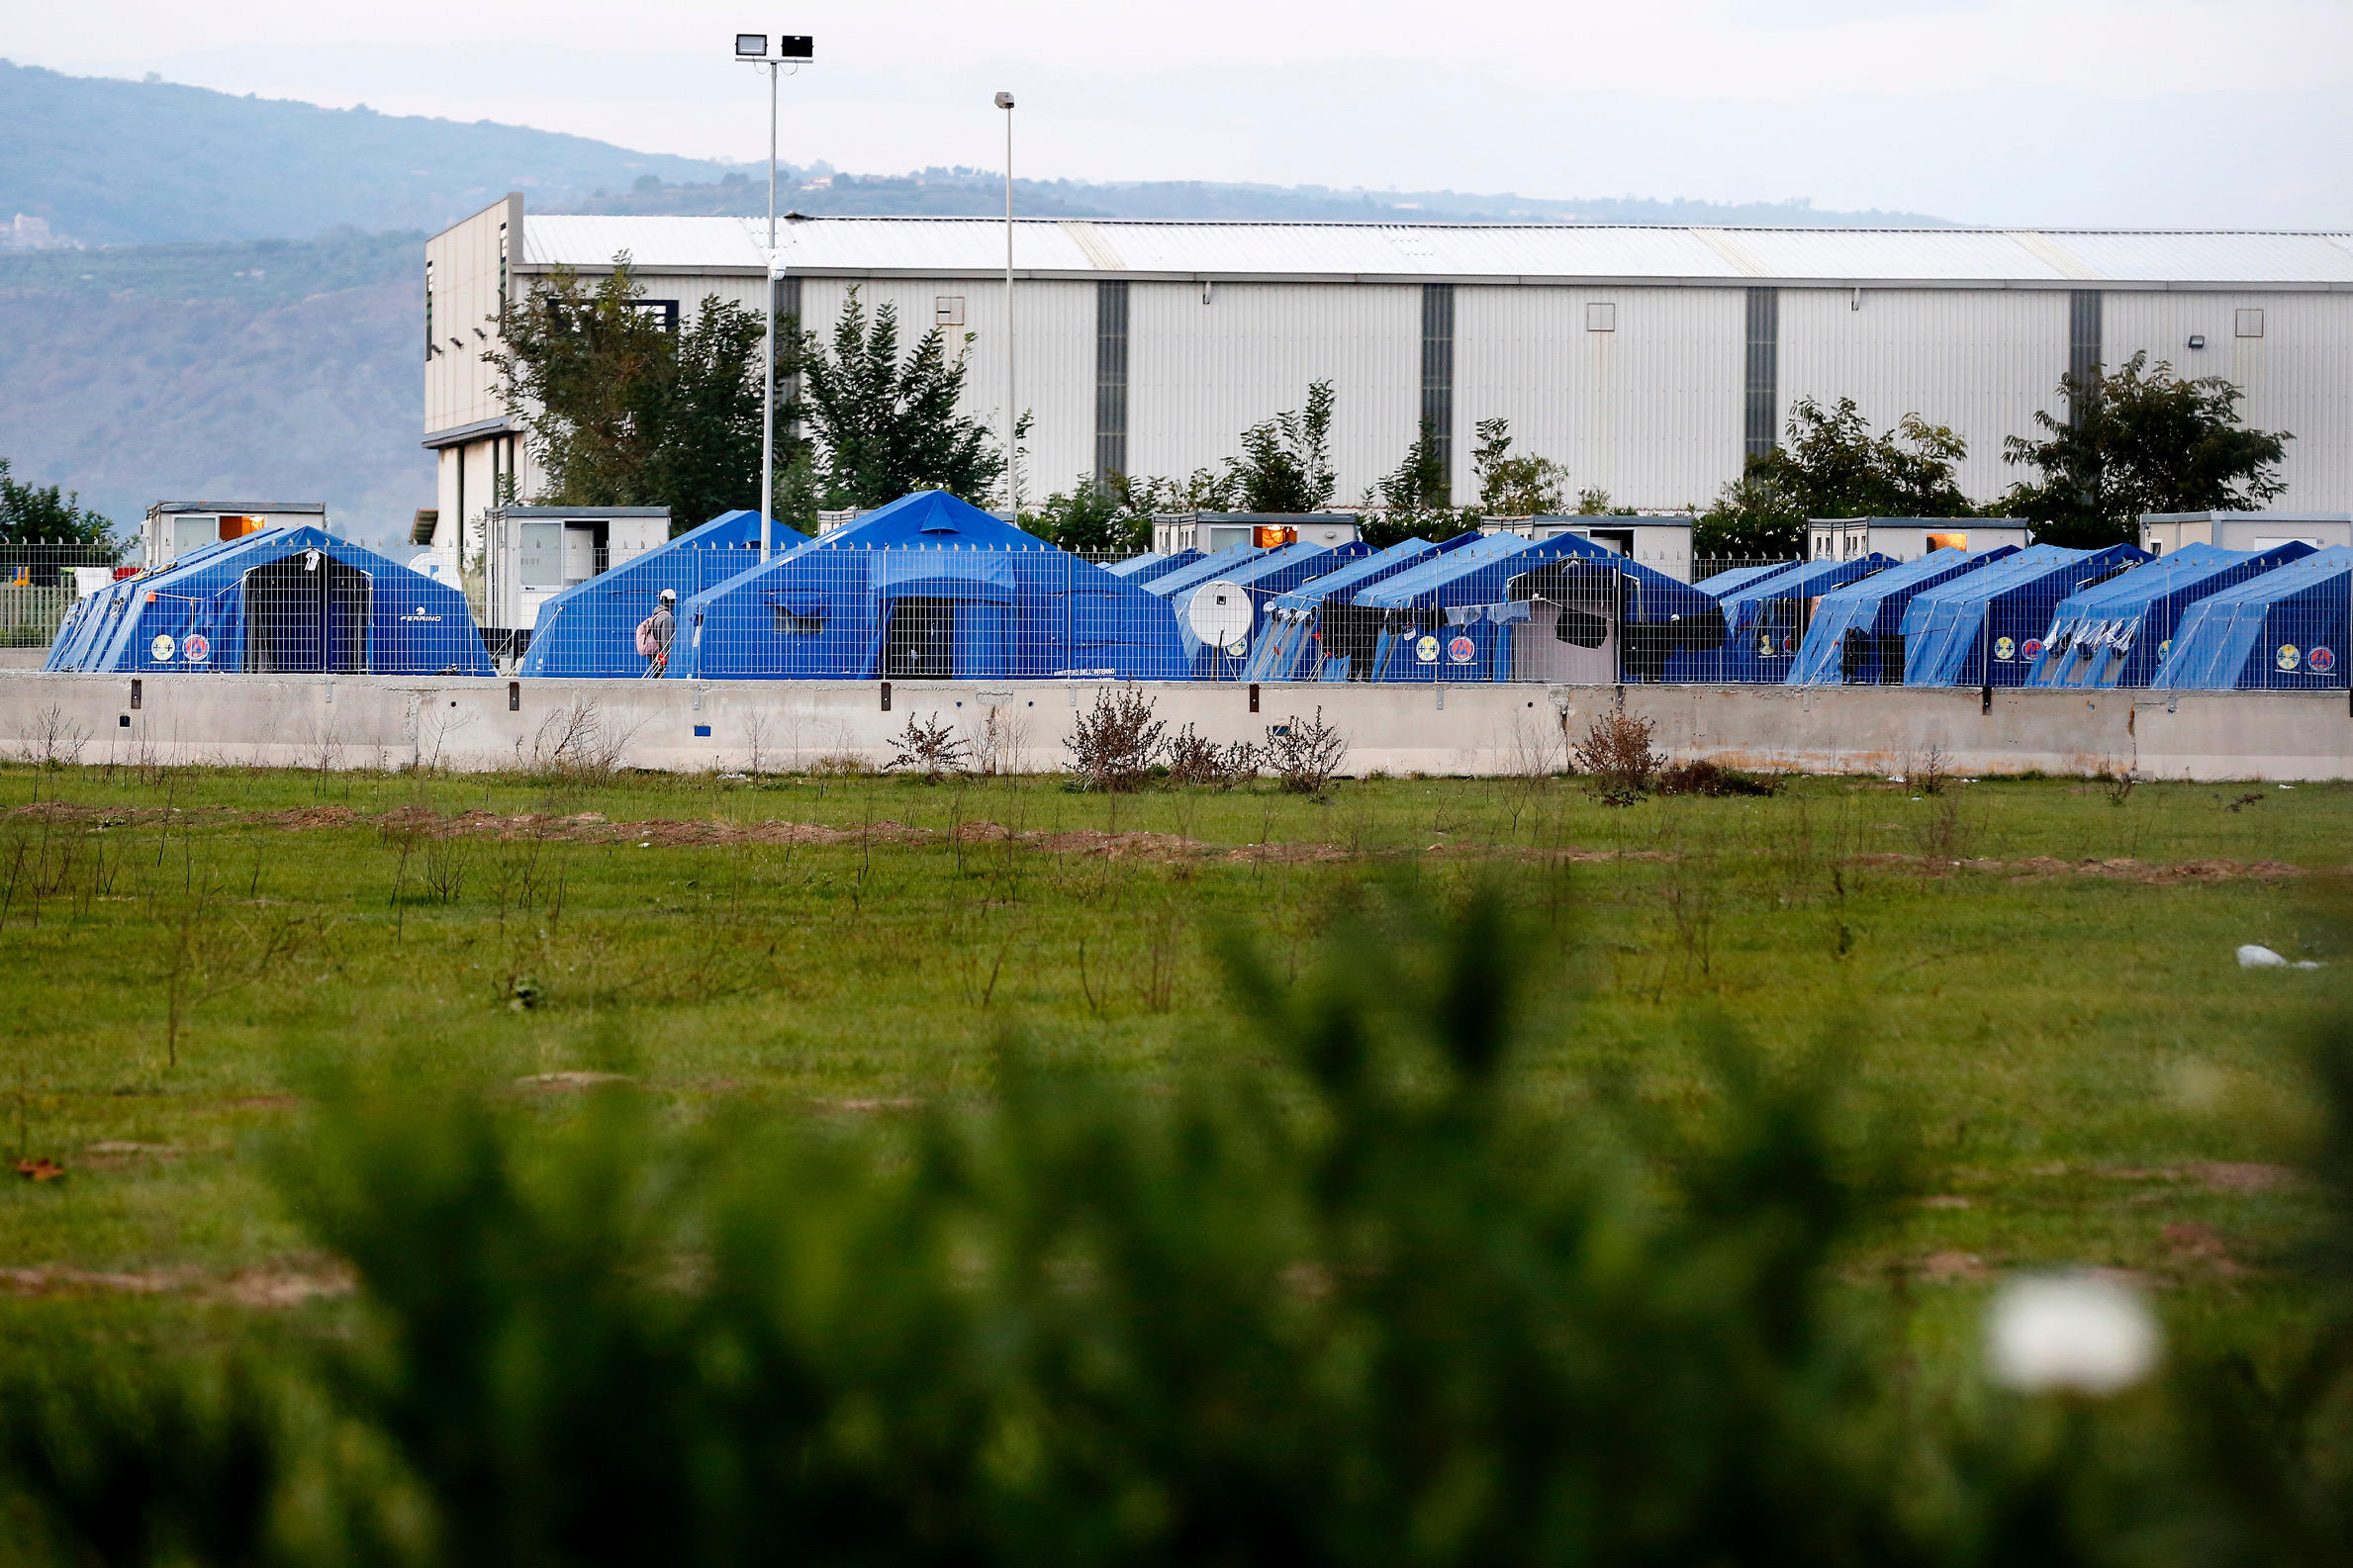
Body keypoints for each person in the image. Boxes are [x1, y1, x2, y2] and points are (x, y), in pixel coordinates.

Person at [637, 589, 677, 678]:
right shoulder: (667, 617)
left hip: (654, 655)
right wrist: (668, 659)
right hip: (661, 656)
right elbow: (666, 640)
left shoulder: (656, 614)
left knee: (657, 679)